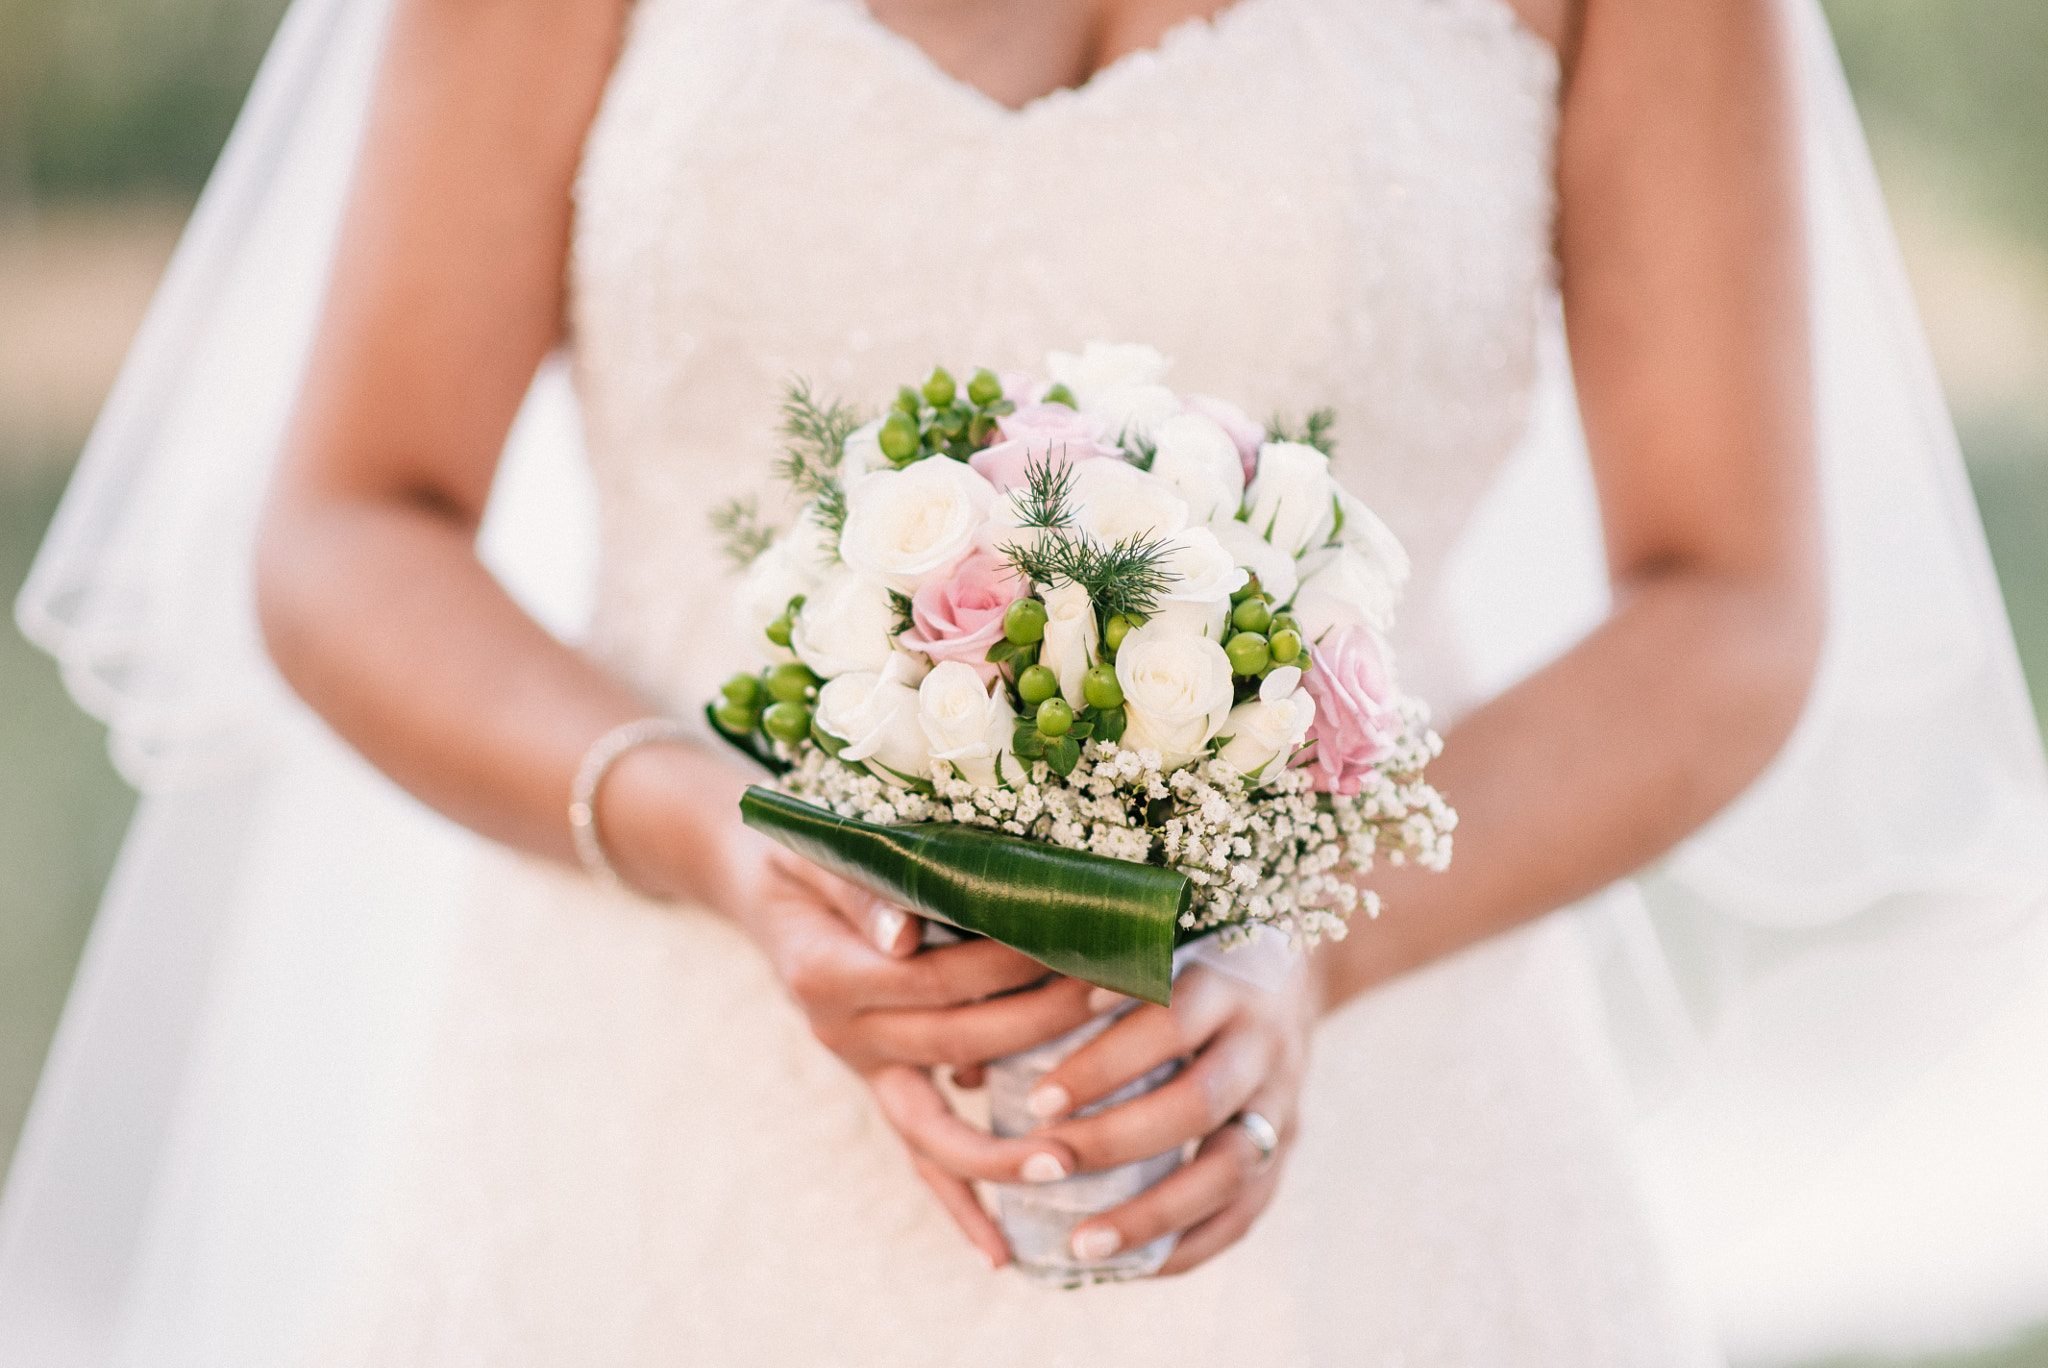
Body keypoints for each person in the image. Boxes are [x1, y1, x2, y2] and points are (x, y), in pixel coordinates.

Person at [6, 0, 2047, 1362]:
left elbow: (1730, 595)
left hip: (1366, 1131)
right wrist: (714, 834)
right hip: (647, 1118)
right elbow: (353, 518)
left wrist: (1311, 946)